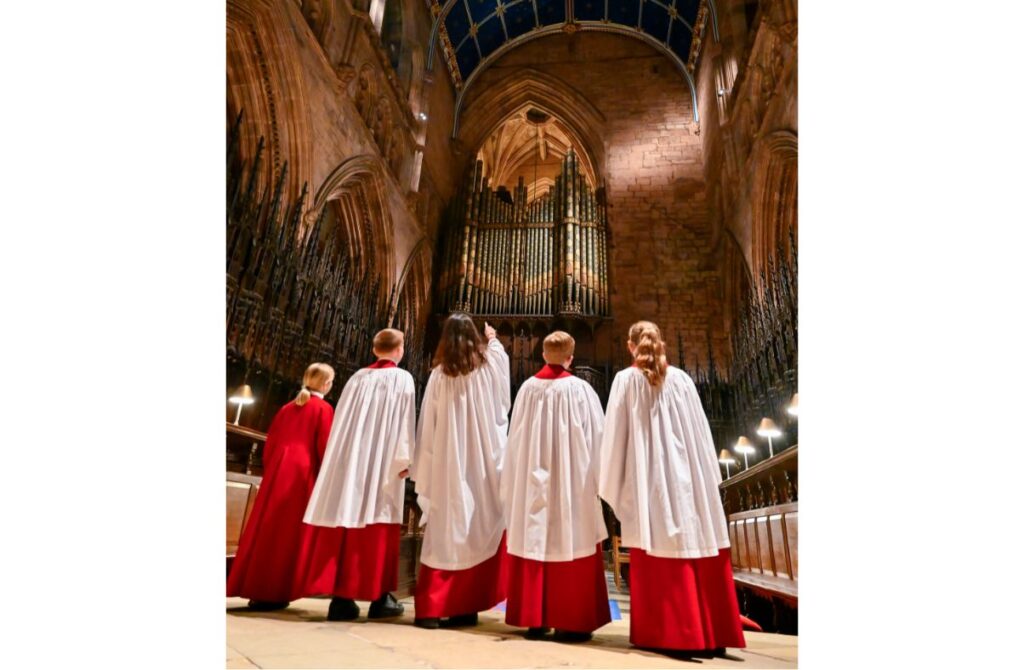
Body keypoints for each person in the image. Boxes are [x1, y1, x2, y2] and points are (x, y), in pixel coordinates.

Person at [599, 321, 746, 654]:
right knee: (696, 539)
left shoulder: (625, 381)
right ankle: (712, 634)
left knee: (660, 542)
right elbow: (702, 438)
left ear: (629, 346)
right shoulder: (682, 380)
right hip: (690, 484)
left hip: (652, 484)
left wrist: (613, 484)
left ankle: (675, 634)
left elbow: (614, 441)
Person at [501, 331, 610, 642]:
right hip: (571, 481)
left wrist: (514, 481)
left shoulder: (526, 389)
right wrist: (601, 480)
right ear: (570, 357)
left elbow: (515, 438)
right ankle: (571, 621)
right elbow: (598, 438)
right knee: (570, 537)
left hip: (533, 479)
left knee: (535, 538)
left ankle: (535, 619)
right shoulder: (582, 390)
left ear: (543, 355)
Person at [303, 329, 415, 621]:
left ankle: (341, 599)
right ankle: (380, 599)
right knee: (377, 524)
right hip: (381, 464)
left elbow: (341, 421)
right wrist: (405, 459)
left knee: (348, 520)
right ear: (399, 349)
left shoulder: (356, 378)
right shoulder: (403, 379)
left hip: (351, 462)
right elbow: (405, 421)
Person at [411, 314, 511, 629]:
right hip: (481, 462)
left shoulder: (439, 376)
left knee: (445, 529)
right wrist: (493, 339)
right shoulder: (489, 369)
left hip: (448, 463)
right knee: (477, 525)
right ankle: (465, 606)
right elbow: (503, 403)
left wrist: (424, 465)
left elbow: (428, 424)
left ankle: (432, 608)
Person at [227, 363, 336, 610]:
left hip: (277, 472)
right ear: (326, 384)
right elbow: (326, 447)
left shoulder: (288, 407)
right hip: (302, 473)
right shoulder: (323, 408)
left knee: (267, 530)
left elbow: (272, 442)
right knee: (287, 534)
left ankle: (258, 589)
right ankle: (277, 590)